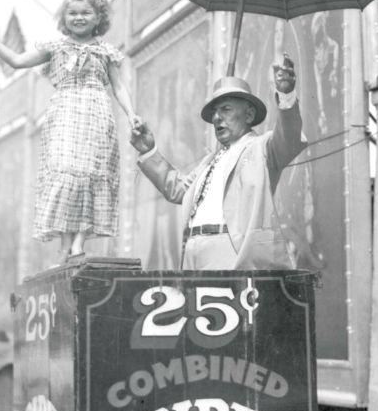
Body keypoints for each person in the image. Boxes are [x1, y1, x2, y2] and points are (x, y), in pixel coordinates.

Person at [0, 0, 143, 261]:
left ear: (98, 18)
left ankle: (78, 244)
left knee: (91, 173)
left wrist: (131, 113)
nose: (79, 18)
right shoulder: (55, 48)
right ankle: (65, 244)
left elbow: (119, 87)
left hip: (97, 114)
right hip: (64, 112)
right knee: (64, 172)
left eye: (86, 12)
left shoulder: (106, 52)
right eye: (73, 13)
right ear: (64, 18)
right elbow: (16, 61)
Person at [129, 55, 306, 270]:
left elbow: (289, 139)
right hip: (192, 250)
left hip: (228, 250)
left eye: (226, 109)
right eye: (215, 112)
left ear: (249, 114)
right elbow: (178, 190)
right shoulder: (209, 162)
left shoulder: (261, 148)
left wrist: (286, 95)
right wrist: (148, 151)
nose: (216, 118)